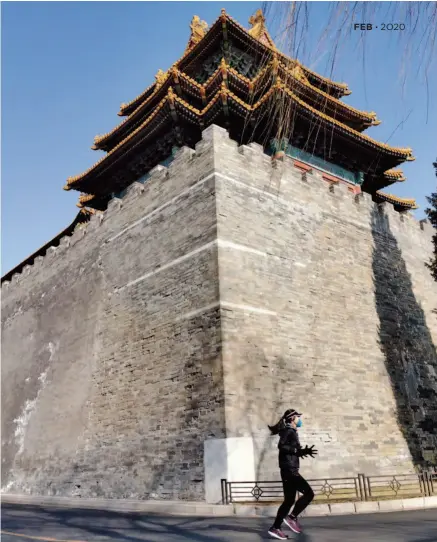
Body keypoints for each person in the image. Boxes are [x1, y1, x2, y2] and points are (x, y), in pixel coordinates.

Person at [267, 409, 317, 540]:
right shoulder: (288, 431)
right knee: (309, 494)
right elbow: (281, 446)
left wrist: (303, 451)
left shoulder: (291, 431)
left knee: (288, 501)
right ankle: (291, 517)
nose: (299, 419)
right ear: (292, 418)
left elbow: (292, 451)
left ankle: (275, 528)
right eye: (297, 417)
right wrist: (296, 450)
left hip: (289, 469)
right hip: (289, 470)